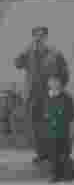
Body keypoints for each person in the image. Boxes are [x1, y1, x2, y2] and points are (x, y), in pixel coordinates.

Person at [15, 26, 69, 163]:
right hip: (34, 95)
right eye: (36, 36)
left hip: (50, 94)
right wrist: (26, 50)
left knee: (52, 124)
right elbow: (17, 63)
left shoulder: (55, 53)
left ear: (46, 37)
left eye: (42, 36)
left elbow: (64, 72)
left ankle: (55, 153)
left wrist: (59, 88)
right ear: (33, 38)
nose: (39, 39)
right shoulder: (28, 53)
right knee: (36, 125)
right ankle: (41, 153)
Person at [45, 74, 74, 182]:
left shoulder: (66, 98)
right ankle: (54, 175)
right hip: (51, 131)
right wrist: (48, 118)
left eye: (56, 81)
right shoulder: (47, 98)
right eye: (51, 81)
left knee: (64, 153)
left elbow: (71, 114)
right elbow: (44, 113)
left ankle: (67, 174)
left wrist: (61, 119)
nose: (53, 84)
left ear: (61, 83)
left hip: (62, 130)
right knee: (53, 154)